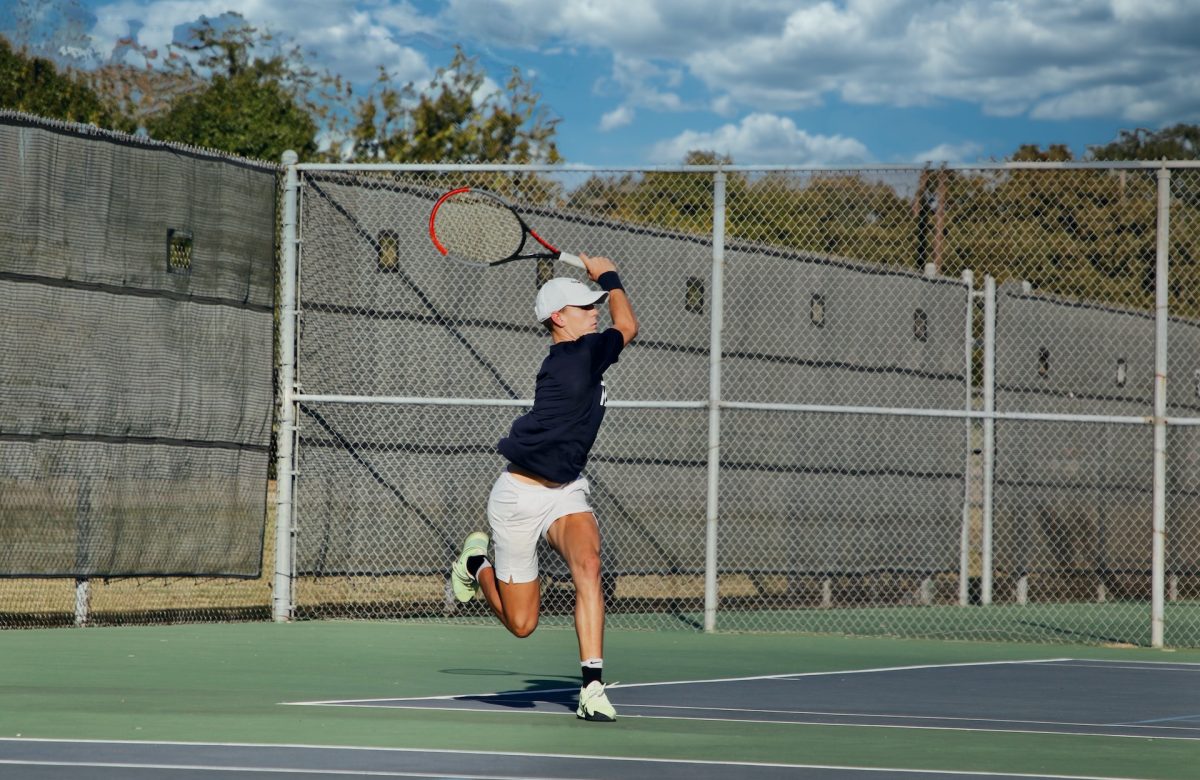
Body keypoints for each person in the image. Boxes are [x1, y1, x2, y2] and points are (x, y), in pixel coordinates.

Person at [450, 254, 637, 722]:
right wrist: (609, 277)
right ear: (559, 318)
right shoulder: (579, 356)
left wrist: (598, 283)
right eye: (584, 307)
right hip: (518, 496)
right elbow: (628, 325)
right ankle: (476, 564)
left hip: (566, 490)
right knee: (522, 624)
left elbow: (618, 324)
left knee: (589, 564)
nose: (595, 311)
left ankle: (591, 687)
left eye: (595, 304)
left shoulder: (583, 353)